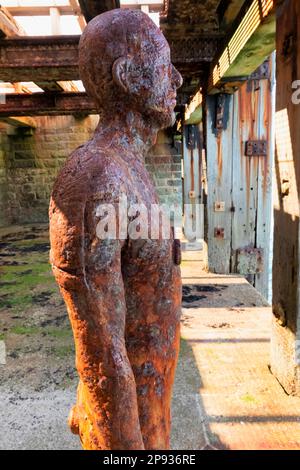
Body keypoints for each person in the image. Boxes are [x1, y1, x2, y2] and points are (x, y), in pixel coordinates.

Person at [49, 8, 182, 450]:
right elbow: (102, 356)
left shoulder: (128, 169)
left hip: (151, 417)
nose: (178, 79)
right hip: (129, 436)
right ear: (127, 76)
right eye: (165, 66)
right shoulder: (97, 179)